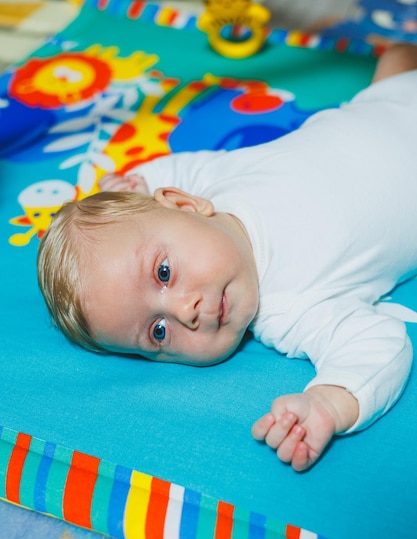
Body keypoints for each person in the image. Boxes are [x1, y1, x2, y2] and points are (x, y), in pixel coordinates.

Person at [38, 44, 417, 471]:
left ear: (184, 206)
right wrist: (328, 402)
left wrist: (140, 182)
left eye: (163, 272)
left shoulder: (214, 185)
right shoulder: (291, 310)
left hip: (383, 104)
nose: (185, 310)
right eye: (158, 332)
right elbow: (376, 345)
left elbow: (180, 171)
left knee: (397, 62)